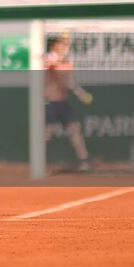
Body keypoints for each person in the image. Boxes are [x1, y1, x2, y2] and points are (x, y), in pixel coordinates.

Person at [43, 35, 92, 171]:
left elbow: (70, 82)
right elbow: (50, 65)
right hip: (49, 103)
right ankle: (40, 163)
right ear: (54, 46)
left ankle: (84, 161)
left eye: (64, 45)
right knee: (48, 133)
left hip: (63, 103)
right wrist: (59, 61)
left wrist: (81, 94)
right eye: (60, 45)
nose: (63, 48)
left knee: (75, 129)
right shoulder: (47, 58)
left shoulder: (66, 62)